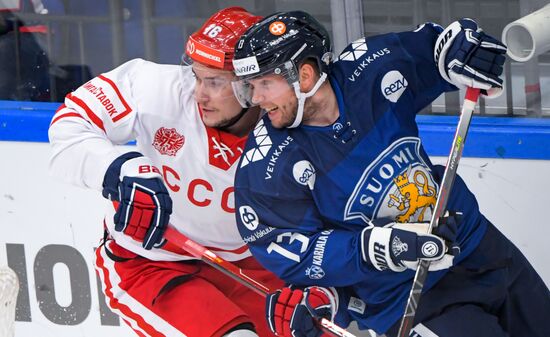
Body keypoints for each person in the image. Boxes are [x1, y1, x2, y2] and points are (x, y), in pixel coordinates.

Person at [231, 11, 550, 337]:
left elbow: (435, 51)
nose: (256, 100)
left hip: (477, 243)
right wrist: (372, 247)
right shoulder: (266, 164)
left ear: (307, 75)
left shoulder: (367, 68)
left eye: (264, 84)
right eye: (251, 88)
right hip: (407, 297)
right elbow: (293, 251)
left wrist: (458, 51)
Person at [48, 7, 284, 337]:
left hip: (254, 268)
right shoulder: (152, 86)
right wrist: (118, 167)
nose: (200, 93)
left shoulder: (288, 117)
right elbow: (70, 125)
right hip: (155, 263)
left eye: (215, 82)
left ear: (252, 85)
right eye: (197, 76)